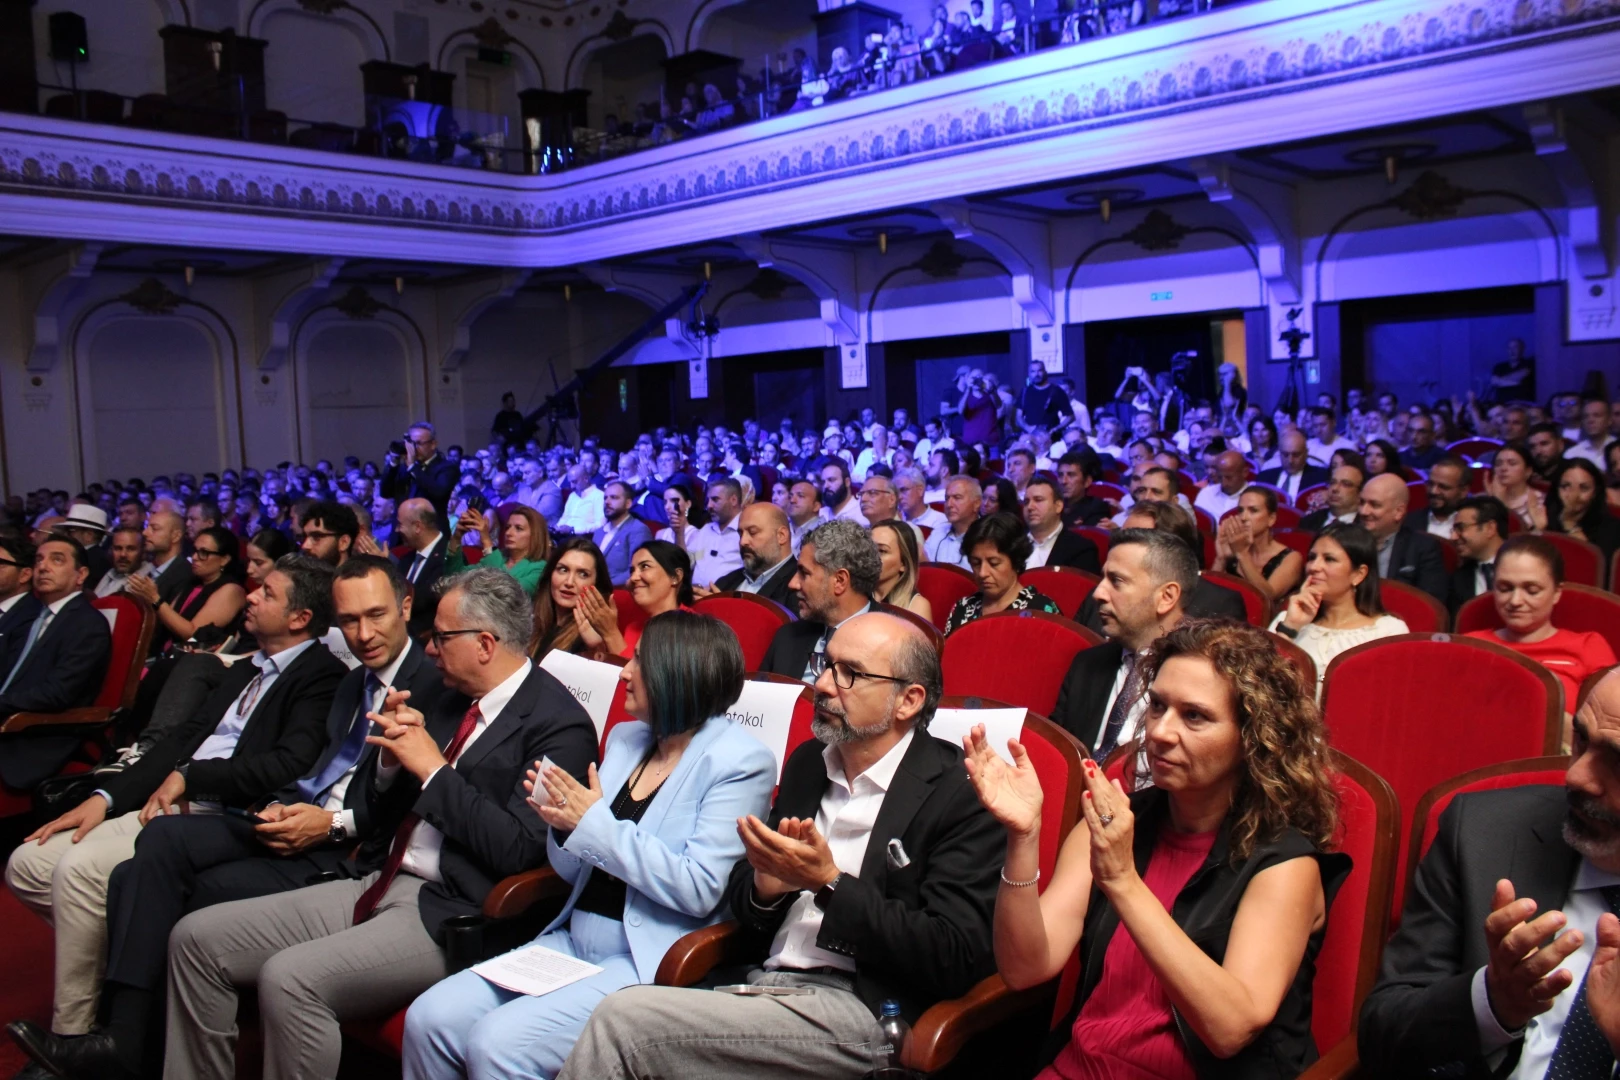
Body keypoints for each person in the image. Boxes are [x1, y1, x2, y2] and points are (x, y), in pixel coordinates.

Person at [155, 567, 597, 1080]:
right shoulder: (447, 696)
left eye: (441, 638)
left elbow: (517, 850)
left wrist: (432, 769)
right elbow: (376, 808)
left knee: (290, 979)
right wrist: (390, 763)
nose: (429, 649)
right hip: (379, 876)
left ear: (484, 644)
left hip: (452, 909)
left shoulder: (558, 726)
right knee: (195, 940)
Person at [22, 556, 451, 1080]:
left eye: (376, 615)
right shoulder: (351, 684)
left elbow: (409, 806)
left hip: (343, 847)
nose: (363, 634)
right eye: (348, 621)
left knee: (150, 884)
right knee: (158, 844)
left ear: (405, 607)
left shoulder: (434, 687)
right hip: (295, 819)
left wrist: (332, 824)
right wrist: (282, 804)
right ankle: (122, 1041)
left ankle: (127, 1046)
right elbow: (316, 771)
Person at [556, 612, 1000, 1080]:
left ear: (908, 700)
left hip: (864, 1008)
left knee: (623, 1019)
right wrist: (765, 890)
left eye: (849, 674)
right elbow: (747, 900)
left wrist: (828, 883)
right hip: (765, 985)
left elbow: (953, 954)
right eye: (825, 664)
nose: (822, 685)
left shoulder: (960, 792)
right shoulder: (810, 762)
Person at [401, 610, 776, 1080]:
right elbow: (571, 869)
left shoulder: (740, 762)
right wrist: (563, 826)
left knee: (496, 1044)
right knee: (429, 1019)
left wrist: (592, 823)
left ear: (675, 674)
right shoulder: (626, 738)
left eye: (638, 662)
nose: (623, 672)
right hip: (573, 939)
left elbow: (699, 888)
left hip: (644, 956)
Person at [970, 618, 1348, 1078]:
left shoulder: (1284, 864)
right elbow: (1024, 967)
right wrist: (1024, 836)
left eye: (1195, 716)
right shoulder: (1116, 822)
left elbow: (1230, 1028)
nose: (1161, 732)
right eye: (1157, 706)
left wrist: (1123, 882)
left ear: (1252, 737)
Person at [4, 555, 346, 1052]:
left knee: (77, 872)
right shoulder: (248, 667)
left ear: (301, 618)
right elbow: (181, 740)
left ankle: (75, 1037)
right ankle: (134, 960)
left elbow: (287, 764)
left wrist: (191, 777)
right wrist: (105, 796)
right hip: (168, 799)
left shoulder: (321, 676)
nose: (251, 595)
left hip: (216, 809)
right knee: (27, 865)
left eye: (267, 593)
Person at [1360, 670, 1620, 1076]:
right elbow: (1382, 1034)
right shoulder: (1483, 834)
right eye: (1582, 740)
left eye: (1617, 762)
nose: (1577, 776)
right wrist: (1492, 1002)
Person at [1052, 528, 1198, 757]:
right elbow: (1058, 751)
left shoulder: (1203, 677)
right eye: (1103, 578)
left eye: (1117, 581)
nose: (1098, 593)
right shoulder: (1087, 664)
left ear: (1166, 597)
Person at [0, 535, 115, 790]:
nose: (43, 567)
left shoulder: (88, 624)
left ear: (81, 574)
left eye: (57, 560)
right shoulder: (32, 617)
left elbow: (57, 693)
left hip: (36, 737)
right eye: (39, 559)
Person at [1465, 534, 1616, 721]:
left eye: (1532, 590)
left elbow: (1608, 726)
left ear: (1556, 592)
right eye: (1505, 588)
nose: (1515, 601)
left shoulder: (1587, 647)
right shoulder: (1470, 645)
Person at [1269, 524, 1408, 698]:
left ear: (1359, 574)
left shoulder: (1388, 631)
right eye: (1312, 557)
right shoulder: (1286, 619)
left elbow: (1388, 699)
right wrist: (1290, 628)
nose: (1314, 567)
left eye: (1329, 559)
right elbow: (1262, 685)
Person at [758, 520, 878, 682]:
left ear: (840, 581)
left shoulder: (894, 642)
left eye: (804, 573)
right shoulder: (788, 637)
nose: (793, 583)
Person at [124, 525, 248, 655]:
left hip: (196, 662)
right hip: (166, 655)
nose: (194, 557)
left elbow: (194, 634)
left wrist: (155, 598)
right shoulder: (192, 582)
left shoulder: (231, 590)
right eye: (195, 550)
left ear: (224, 559)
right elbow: (167, 621)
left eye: (204, 553)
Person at [942, 512, 1062, 636]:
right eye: (976, 563)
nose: (982, 573)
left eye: (994, 563)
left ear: (1016, 561)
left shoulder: (1039, 611)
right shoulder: (963, 608)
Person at [576, 540, 693, 660]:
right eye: (632, 571)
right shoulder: (633, 629)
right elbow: (623, 669)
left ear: (675, 577)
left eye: (645, 567)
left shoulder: (693, 628)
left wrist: (610, 633)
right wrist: (598, 646)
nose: (633, 578)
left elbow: (644, 672)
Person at [1357, 473, 1450, 602]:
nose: (1363, 511)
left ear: (1398, 512)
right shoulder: (1344, 542)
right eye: (1362, 503)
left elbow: (1430, 604)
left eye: (1375, 505)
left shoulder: (1423, 548)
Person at [1216, 486, 1305, 606]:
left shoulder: (1292, 558)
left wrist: (1242, 554)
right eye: (1241, 510)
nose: (1243, 517)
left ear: (1271, 519)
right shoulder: (1234, 549)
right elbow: (1207, 593)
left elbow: (1267, 598)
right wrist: (1221, 558)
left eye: (1253, 510)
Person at [530, 538, 613, 660]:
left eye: (583, 574)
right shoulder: (530, 620)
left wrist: (596, 648)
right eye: (563, 570)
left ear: (596, 584)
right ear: (550, 574)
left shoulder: (594, 637)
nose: (569, 582)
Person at [447, 504, 551, 596]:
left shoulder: (540, 568)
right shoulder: (498, 557)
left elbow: (508, 592)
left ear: (535, 535)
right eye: (507, 527)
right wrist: (456, 538)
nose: (508, 533)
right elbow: (456, 576)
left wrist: (486, 539)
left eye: (518, 528)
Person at [711, 502, 799, 610]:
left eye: (752, 532)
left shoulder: (800, 586)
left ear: (781, 536)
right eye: (740, 534)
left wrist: (725, 612)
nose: (743, 541)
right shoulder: (725, 582)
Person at [1544, 458, 1620, 565]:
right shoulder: (1546, 517)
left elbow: (1595, 567)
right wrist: (1540, 529)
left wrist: (1570, 525)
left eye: (1584, 488)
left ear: (1595, 492)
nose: (1574, 495)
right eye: (1565, 486)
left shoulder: (1613, 528)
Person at [1020, 474, 1100, 573]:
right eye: (1026, 502)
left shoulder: (1081, 549)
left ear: (1058, 506)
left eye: (1038, 500)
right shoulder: (1011, 543)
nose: (1030, 507)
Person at [383, 423, 458, 528]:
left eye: (418, 443)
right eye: (411, 443)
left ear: (433, 444)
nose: (413, 448)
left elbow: (438, 492)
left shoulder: (447, 467)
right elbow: (385, 493)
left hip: (431, 529)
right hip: (401, 530)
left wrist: (413, 467)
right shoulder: (404, 467)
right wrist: (394, 463)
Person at [1447, 495, 1510, 615]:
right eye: (1453, 530)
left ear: (1490, 528)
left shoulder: (1525, 566)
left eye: (1460, 528)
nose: (1453, 537)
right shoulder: (1458, 579)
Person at [396, 498, 447, 640]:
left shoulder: (449, 557)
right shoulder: (406, 559)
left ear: (418, 527)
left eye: (400, 524)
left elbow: (427, 599)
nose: (397, 530)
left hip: (427, 640)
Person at [591, 481, 653, 589]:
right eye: (605, 498)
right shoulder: (599, 532)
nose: (607, 502)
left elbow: (637, 569)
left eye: (614, 497)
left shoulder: (638, 530)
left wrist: (603, 585)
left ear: (628, 503)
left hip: (618, 591)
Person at [871, 519, 933, 624]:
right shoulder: (854, 595)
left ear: (904, 563)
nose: (870, 556)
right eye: (868, 549)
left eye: (882, 551)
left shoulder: (917, 606)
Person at [690, 478, 744, 590]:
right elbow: (692, 560)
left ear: (733, 500)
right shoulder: (706, 529)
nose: (709, 506)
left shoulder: (746, 531)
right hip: (694, 595)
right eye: (708, 500)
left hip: (726, 596)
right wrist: (680, 532)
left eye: (715, 499)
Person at [924, 474, 983, 568]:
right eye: (947, 498)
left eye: (957, 497)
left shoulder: (987, 536)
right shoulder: (938, 531)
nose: (949, 504)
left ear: (976, 503)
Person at [1486, 441, 1547, 532]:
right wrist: (1495, 501)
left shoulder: (1542, 502)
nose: (1503, 468)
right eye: (1498, 464)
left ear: (1528, 471)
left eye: (1512, 463)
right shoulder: (1483, 500)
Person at [1257, 429, 1329, 505]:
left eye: (1296, 455)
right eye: (1285, 455)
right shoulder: (1264, 478)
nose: (1290, 461)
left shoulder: (1321, 478)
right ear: (1279, 453)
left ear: (1306, 453)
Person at [1408, 455, 1471, 540]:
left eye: (1443, 487)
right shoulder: (1408, 522)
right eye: (1430, 484)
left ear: (1463, 491)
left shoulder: (1475, 524)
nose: (1434, 491)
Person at [1299, 462, 1366, 533]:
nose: (1335, 489)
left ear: (1360, 493)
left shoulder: (1366, 526)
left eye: (1345, 484)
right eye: (1332, 482)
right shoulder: (1308, 521)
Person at [1056, 452, 1113, 527]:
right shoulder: (1052, 505)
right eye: (1060, 475)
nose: (1063, 481)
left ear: (1087, 482)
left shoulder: (1096, 508)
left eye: (1071, 475)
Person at [94, 525, 151, 598]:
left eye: (131, 549)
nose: (123, 554)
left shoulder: (147, 581)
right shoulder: (111, 572)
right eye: (118, 548)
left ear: (143, 552)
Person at [1193, 450, 1249, 522]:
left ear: (1245, 473)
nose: (1224, 483)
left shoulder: (1256, 499)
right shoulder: (1206, 494)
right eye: (1220, 477)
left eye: (1229, 477)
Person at [556, 463, 607, 538]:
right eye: (570, 482)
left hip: (584, 538)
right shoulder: (572, 495)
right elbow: (565, 518)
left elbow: (600, 525)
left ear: (586, 479)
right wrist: (557, 527)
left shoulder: (599, 496)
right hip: (565, 536)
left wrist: (573, 530)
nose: (571, 486)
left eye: (574, 482)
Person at [1567, 395, 1615, 468]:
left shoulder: (1617, 448)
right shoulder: (1572, 454)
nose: (1590, 420)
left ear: (1609, 420)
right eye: (1586, 417)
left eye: (1597, 415)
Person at [817, 459, 868, 527]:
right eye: (823, 482)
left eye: (831, 480)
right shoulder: (820, 514)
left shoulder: (862, 514)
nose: (826, 486)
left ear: (847, 482)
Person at [245, 528, 295, 593]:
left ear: (279, 562)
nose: (249, 570)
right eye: (248, 561)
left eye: (258, 563)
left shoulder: (293, 593)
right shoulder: (250, 583)